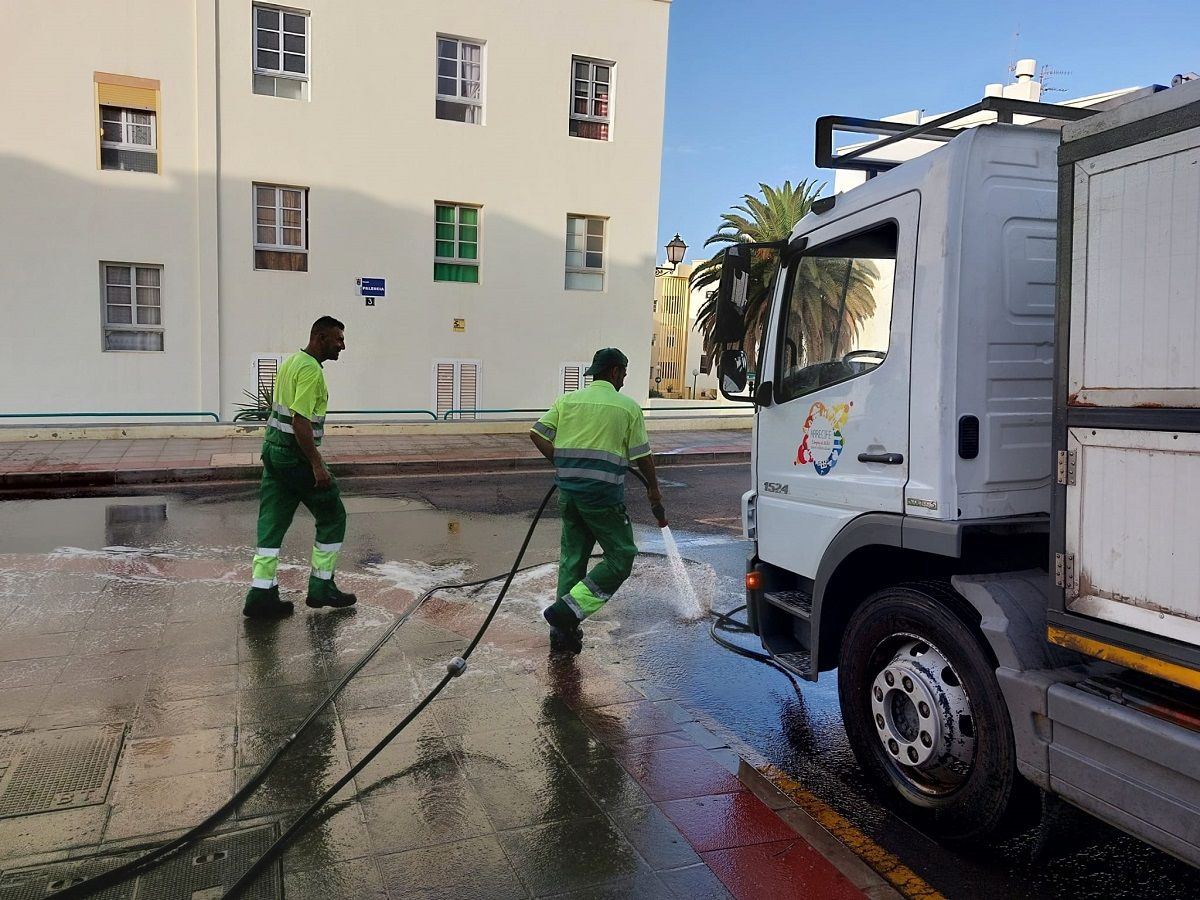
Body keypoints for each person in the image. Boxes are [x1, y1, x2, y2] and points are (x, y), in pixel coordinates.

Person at [530, 347, 668, 653]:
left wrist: (558, 459)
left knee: (573, 560)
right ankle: (565, 613)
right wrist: (653, 489)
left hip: (568, 494)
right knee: (621, 557)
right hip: (603, 498)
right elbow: (643, 455)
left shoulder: (568, 400)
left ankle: (561, 633)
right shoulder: (627, 407)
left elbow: (536, 432)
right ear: (616, 372)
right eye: (624, 373)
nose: (624, 379)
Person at [243, 315, 357, 618]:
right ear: (321, 338)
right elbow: (300, 421)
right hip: (295, 455)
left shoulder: (292, 361)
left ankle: (261, 593)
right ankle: (321, 587)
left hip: (273, 451)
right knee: (333, 514)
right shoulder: (310, 371)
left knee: (271, 523)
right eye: (339, 339)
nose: (343, 346)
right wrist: (317, 466)